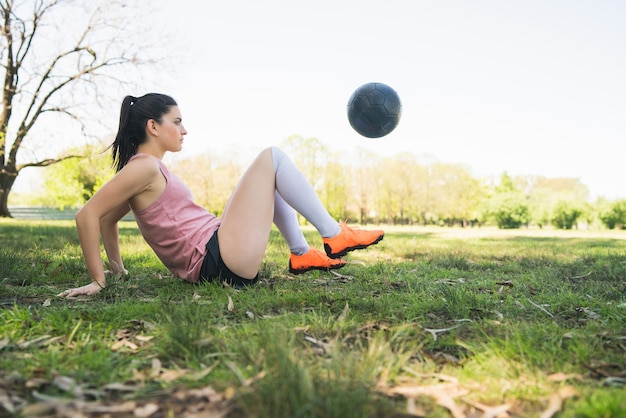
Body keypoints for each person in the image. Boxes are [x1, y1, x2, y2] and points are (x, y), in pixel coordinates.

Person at [58, 93, 384, 298]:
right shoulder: (143, 169)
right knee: (273, 158)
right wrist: (99, 280)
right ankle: (334, 235)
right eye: (177, 122)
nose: (184, 130)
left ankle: (301, 253)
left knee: (270, 174)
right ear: (153, 127)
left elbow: (110, 220)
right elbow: (88, 215)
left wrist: (119, 271)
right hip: (216, 261)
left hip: (218, 253)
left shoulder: (144, 169)